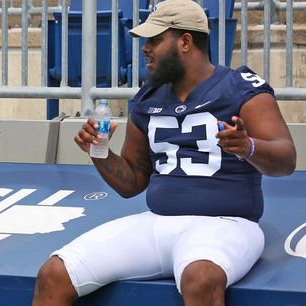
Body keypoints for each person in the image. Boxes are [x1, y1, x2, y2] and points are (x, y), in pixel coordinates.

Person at [32, 0, 296, 305]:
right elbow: (132, 182)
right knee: (54, 274)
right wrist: (100, 153)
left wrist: (249, 147)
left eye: (155, 40)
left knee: (201, 279)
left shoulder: (240, 88)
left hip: (227, 224)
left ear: (185, 41)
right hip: (157, 221)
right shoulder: (147, 98)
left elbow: (286, 160)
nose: (145, 49)